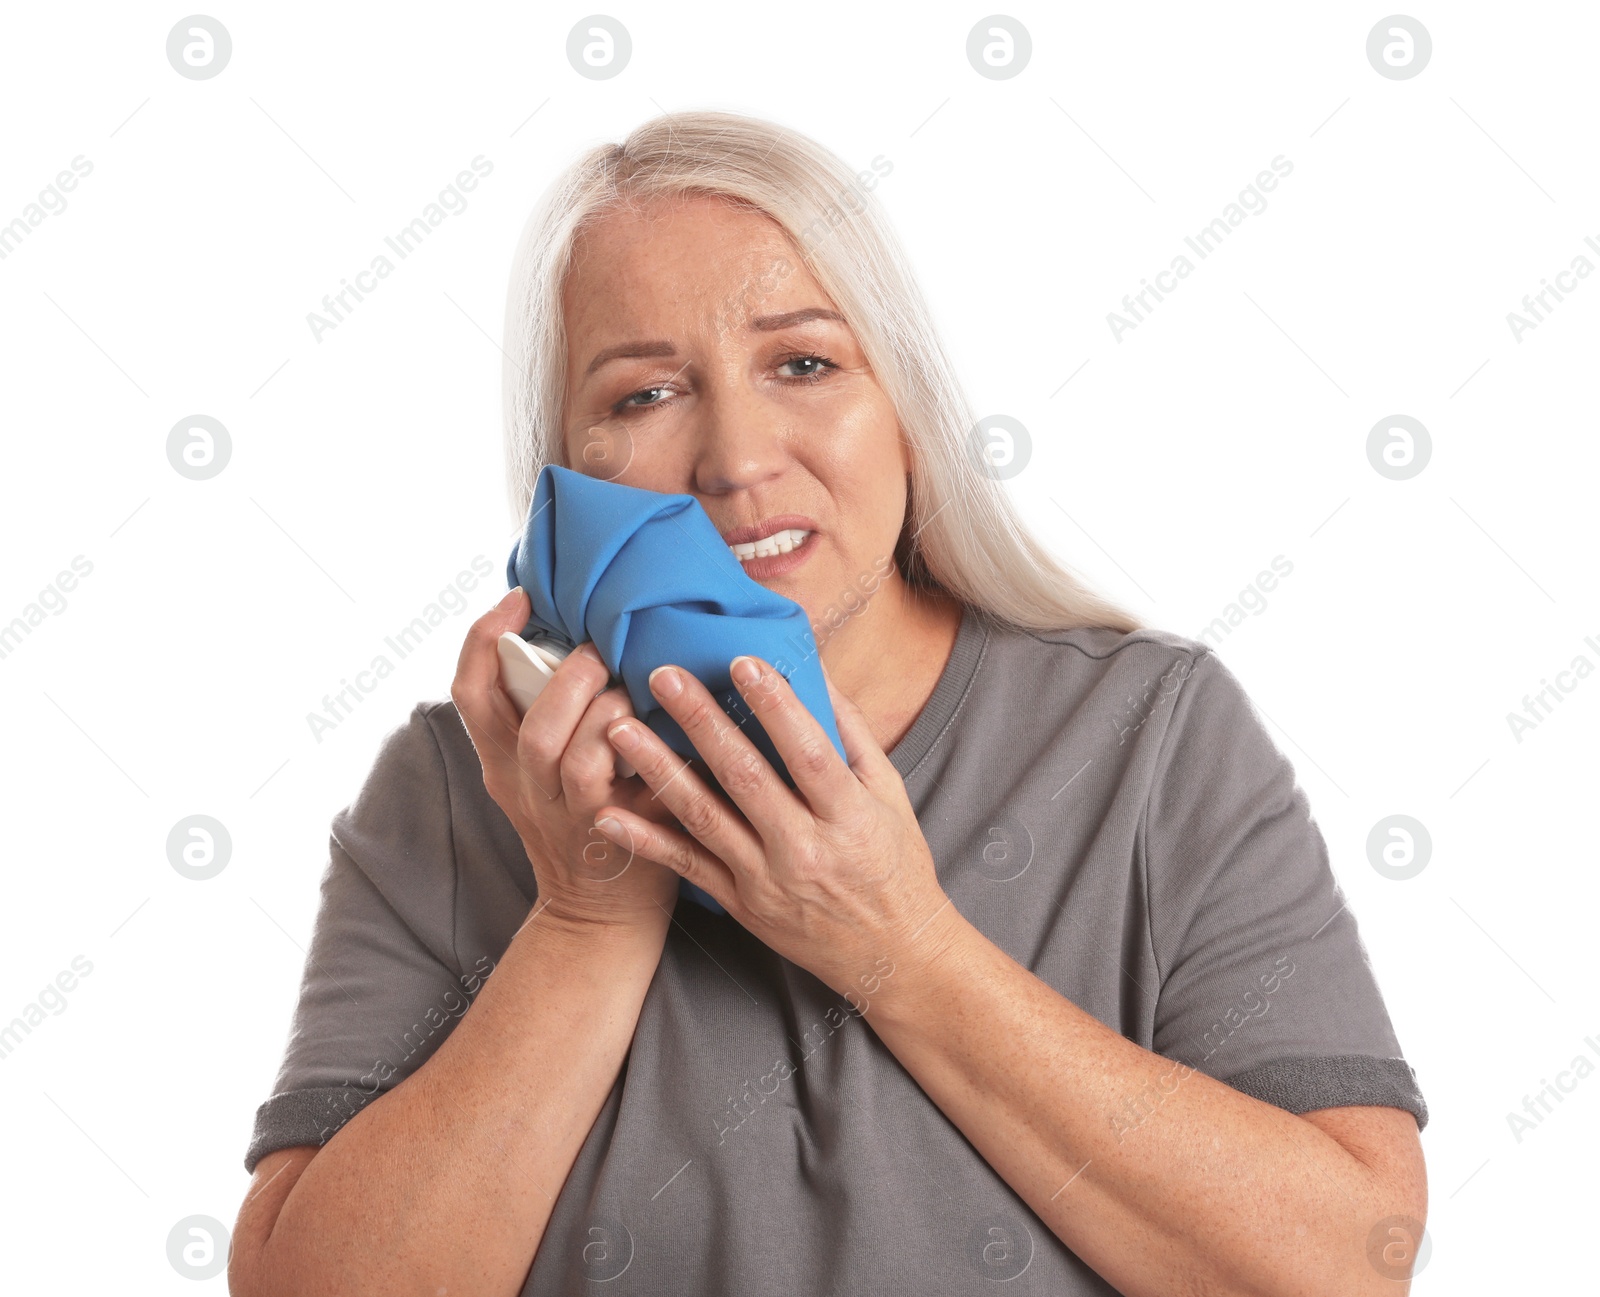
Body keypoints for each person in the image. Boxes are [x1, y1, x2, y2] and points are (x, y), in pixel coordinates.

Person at [229, 111, 1428, 1297]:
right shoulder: (448, 792)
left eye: (803, 363)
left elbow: (1346, 1264)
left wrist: (896, 944)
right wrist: (586, 918)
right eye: (645, 395)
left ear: (904, 401)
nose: (739, 459)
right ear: (564, 469)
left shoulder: (1150, 734)